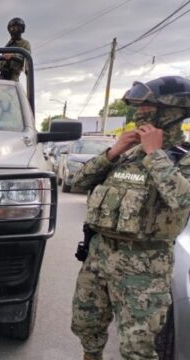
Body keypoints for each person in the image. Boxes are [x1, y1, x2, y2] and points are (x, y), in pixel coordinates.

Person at [70, 76, 190, 360]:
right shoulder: (125, 154)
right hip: (99, 257)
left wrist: (155, 153)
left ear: (173, 111)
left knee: (137, 348)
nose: (139, 113)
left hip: (144, 267)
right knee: (87, 327)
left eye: (147, 107)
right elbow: (77, 183)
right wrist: (112, 152)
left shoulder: (181, 158)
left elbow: (183, 200)